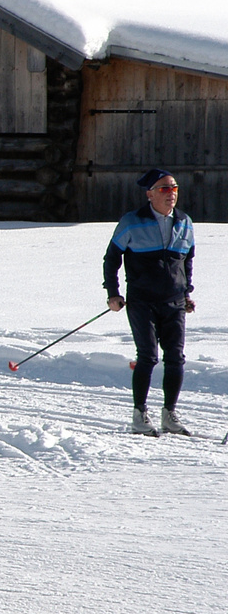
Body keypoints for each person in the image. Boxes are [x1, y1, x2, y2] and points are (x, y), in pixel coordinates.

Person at [103, 169, 196, 436]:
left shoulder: (185, 222)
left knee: (176, 358)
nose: (172, 194)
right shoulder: (132, 222)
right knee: (148, 356)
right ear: (150, 194)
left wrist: (186, 293)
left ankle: (169, 414)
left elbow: (186, 261)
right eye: (165, 189)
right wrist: (113, 293)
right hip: (142, 301)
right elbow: (111, 259)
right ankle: (139, 414)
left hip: (174, 301)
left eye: (174, 188)